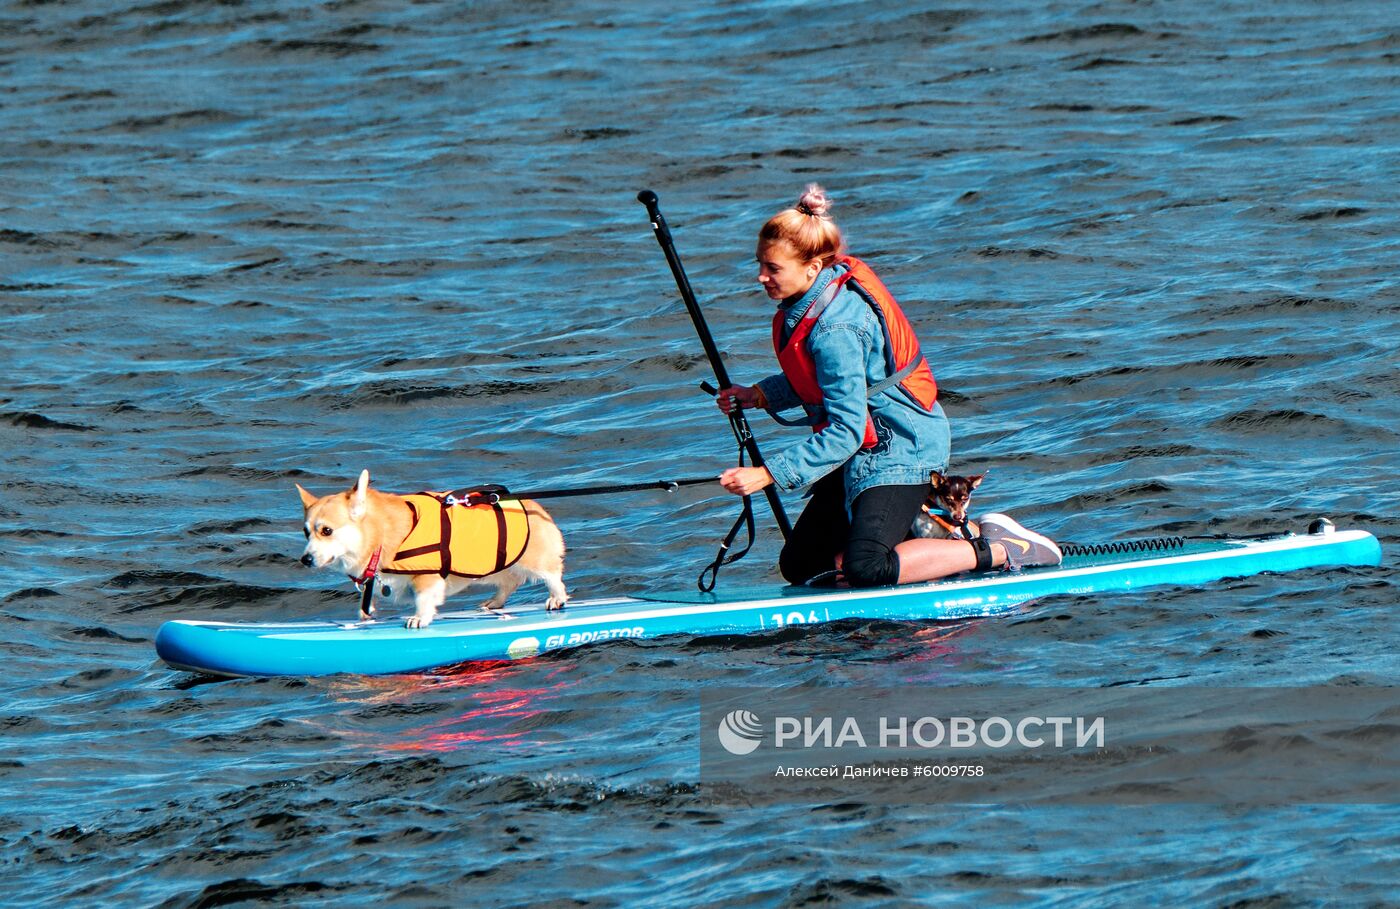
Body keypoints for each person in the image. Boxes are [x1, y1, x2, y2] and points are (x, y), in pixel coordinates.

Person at [716, 185, 1061, 587]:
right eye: (760, 264)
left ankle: (1000, 548)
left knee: (866, 567)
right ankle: (916, 534)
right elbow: (826, 378)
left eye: (772, 268)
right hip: (865, 450)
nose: (761, 277)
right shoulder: (816, 297)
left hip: (901, 447)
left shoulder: (835, 328)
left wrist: (767, 474)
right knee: (801, 565)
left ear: (812, 268)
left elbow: (845, 430)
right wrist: (759, 395)